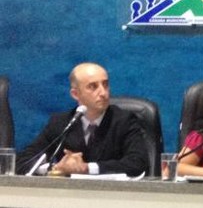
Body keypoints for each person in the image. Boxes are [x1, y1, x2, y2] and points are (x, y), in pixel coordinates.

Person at [16, 62, 149, 177]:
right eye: (93, 86)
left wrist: (86, 168)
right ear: (75, 94)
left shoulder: (124, 120)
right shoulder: (61, 123)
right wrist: (55, 168)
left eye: (105, 84)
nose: (103, 93)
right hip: (68, 195)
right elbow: (23, 161)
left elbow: (137, 163)